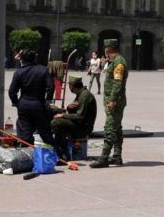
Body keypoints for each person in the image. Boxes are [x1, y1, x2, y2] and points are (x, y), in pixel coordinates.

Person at [91, 39, 129, 169]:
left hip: (115, 101)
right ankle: (117, 156)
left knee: (109, 128)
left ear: (109, 48)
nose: (104, 49)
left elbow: (117, 83)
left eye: (105, 47)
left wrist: (112, 100)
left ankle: (104, 158)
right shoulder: (114, 61)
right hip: (113, 100)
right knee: (117, 128)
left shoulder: (119, 62)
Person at [8, 49, 55, 147]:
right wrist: (48, 101)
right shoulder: (43, 69)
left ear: (22, 60)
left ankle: (28, 157)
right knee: (45, 132)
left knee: (25, 134)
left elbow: (12, 92)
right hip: (38, 104)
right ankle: (56, 156)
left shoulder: (19, 72)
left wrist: (17, 103)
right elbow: (51, 86)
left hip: (24, 105)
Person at [51, 75, 97, 160]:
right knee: (57, 122)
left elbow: (80, 116)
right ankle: (60, 151)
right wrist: (69, 108)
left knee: (56, 123)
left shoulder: (84, 96)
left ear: (72, 86)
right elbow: (75, 112)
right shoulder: (80, 94)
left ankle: (63, 153)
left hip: (83, 127)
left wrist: (63, 115)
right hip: (80, 124)